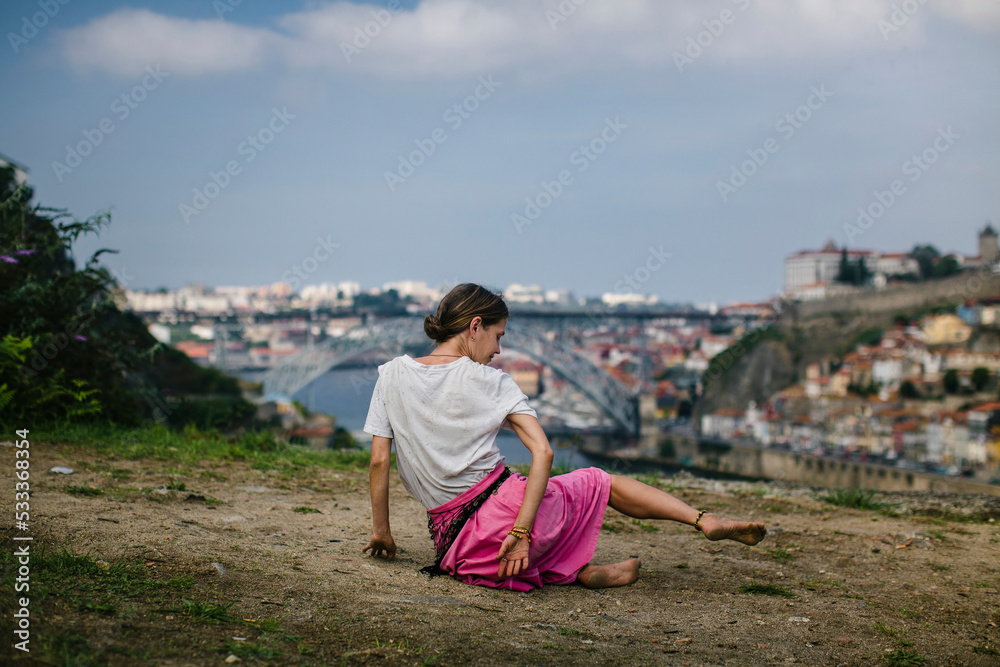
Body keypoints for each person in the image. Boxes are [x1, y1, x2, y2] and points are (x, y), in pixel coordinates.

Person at [362, 283, 766, 591]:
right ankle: (702, 519)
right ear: (475, 326)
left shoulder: (391, 374)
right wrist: (520, 533)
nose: (498, 350)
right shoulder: (492, 382)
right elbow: (544, 451)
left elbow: (379, 460)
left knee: (547, 509)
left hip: (463, 552)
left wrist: (382, 532)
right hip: (508, 528)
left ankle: (578, 570)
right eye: (498, 336)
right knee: (597, 483)